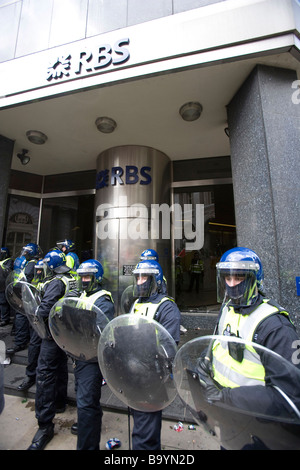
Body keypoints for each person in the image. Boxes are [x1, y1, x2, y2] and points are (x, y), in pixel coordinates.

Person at [196, 247, 300, 448]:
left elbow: (290, 396)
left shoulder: (275, 326)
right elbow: (220, 345)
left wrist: (227, 396)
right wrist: (205, 359)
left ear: (254, 278)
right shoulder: (227, 309)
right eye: (227, 278)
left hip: (261, 426)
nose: (232, 285)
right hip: (228, 417)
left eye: (239, 278)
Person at [27, 249, 79, 450]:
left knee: (45, 373)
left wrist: (35, 312)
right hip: (65, 332)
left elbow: (45, 307)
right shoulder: (69, 278)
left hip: (51, 332)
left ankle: (45, 424)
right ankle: (59, 402)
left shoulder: (56, 282)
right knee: (59, 368)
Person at [129, 259, 181, 450]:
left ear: (155, 280)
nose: (140, 281)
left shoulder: (166, 307)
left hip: (152, 378)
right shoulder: (136, 303)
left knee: (145, 436)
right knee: (141, 428)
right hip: (133, 374)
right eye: (138, 277)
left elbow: (169, 349)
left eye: (145, 277)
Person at [71, 259, 115, 450]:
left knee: (86, 403)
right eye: (81, 277)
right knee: (85, 402)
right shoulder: (80, 295)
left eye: (87, 276)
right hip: (78, 355)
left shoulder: (103, 300)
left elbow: (100, 333)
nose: (84, 280)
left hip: (92, 359)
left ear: (96, 278)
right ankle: (87, 429)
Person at [7, 243, 42, 355]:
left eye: (27, 252)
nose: (25, 253)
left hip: (25, 293)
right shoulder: (32, 263)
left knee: (21, 317)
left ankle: (20, 342)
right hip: (26, 293)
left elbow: (26, 278)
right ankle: (23, 340)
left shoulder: (31, 263)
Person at [17, 259, 45, 391]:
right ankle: (31, 374)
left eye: (41, 270)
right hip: (35, 318)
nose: (38, 272)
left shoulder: (52, 282)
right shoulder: (34, 281)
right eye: (37, 270)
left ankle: (32, 375)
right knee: (34, 346)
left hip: (47, 321)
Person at [0, 247, 13, 326]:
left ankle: (5, 318)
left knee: (3, 303)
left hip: (3, 285)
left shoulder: (8, 261)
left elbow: (7, 271)